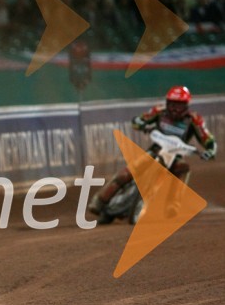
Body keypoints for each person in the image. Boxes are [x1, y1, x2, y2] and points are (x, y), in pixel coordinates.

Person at [88, 85, 217, 218]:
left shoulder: (193, 119)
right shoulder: (159, 111)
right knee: (127, 173)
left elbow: (207, 138)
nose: (174, 109)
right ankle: (100, 200)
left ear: (186, 106)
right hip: (155, 151)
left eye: (179, 105)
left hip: (176, 156)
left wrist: (210, 150)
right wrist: (140, 123)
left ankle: (173, 205)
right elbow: (141, 119)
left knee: (183, 169)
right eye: (172, 104)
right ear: (167, 103)